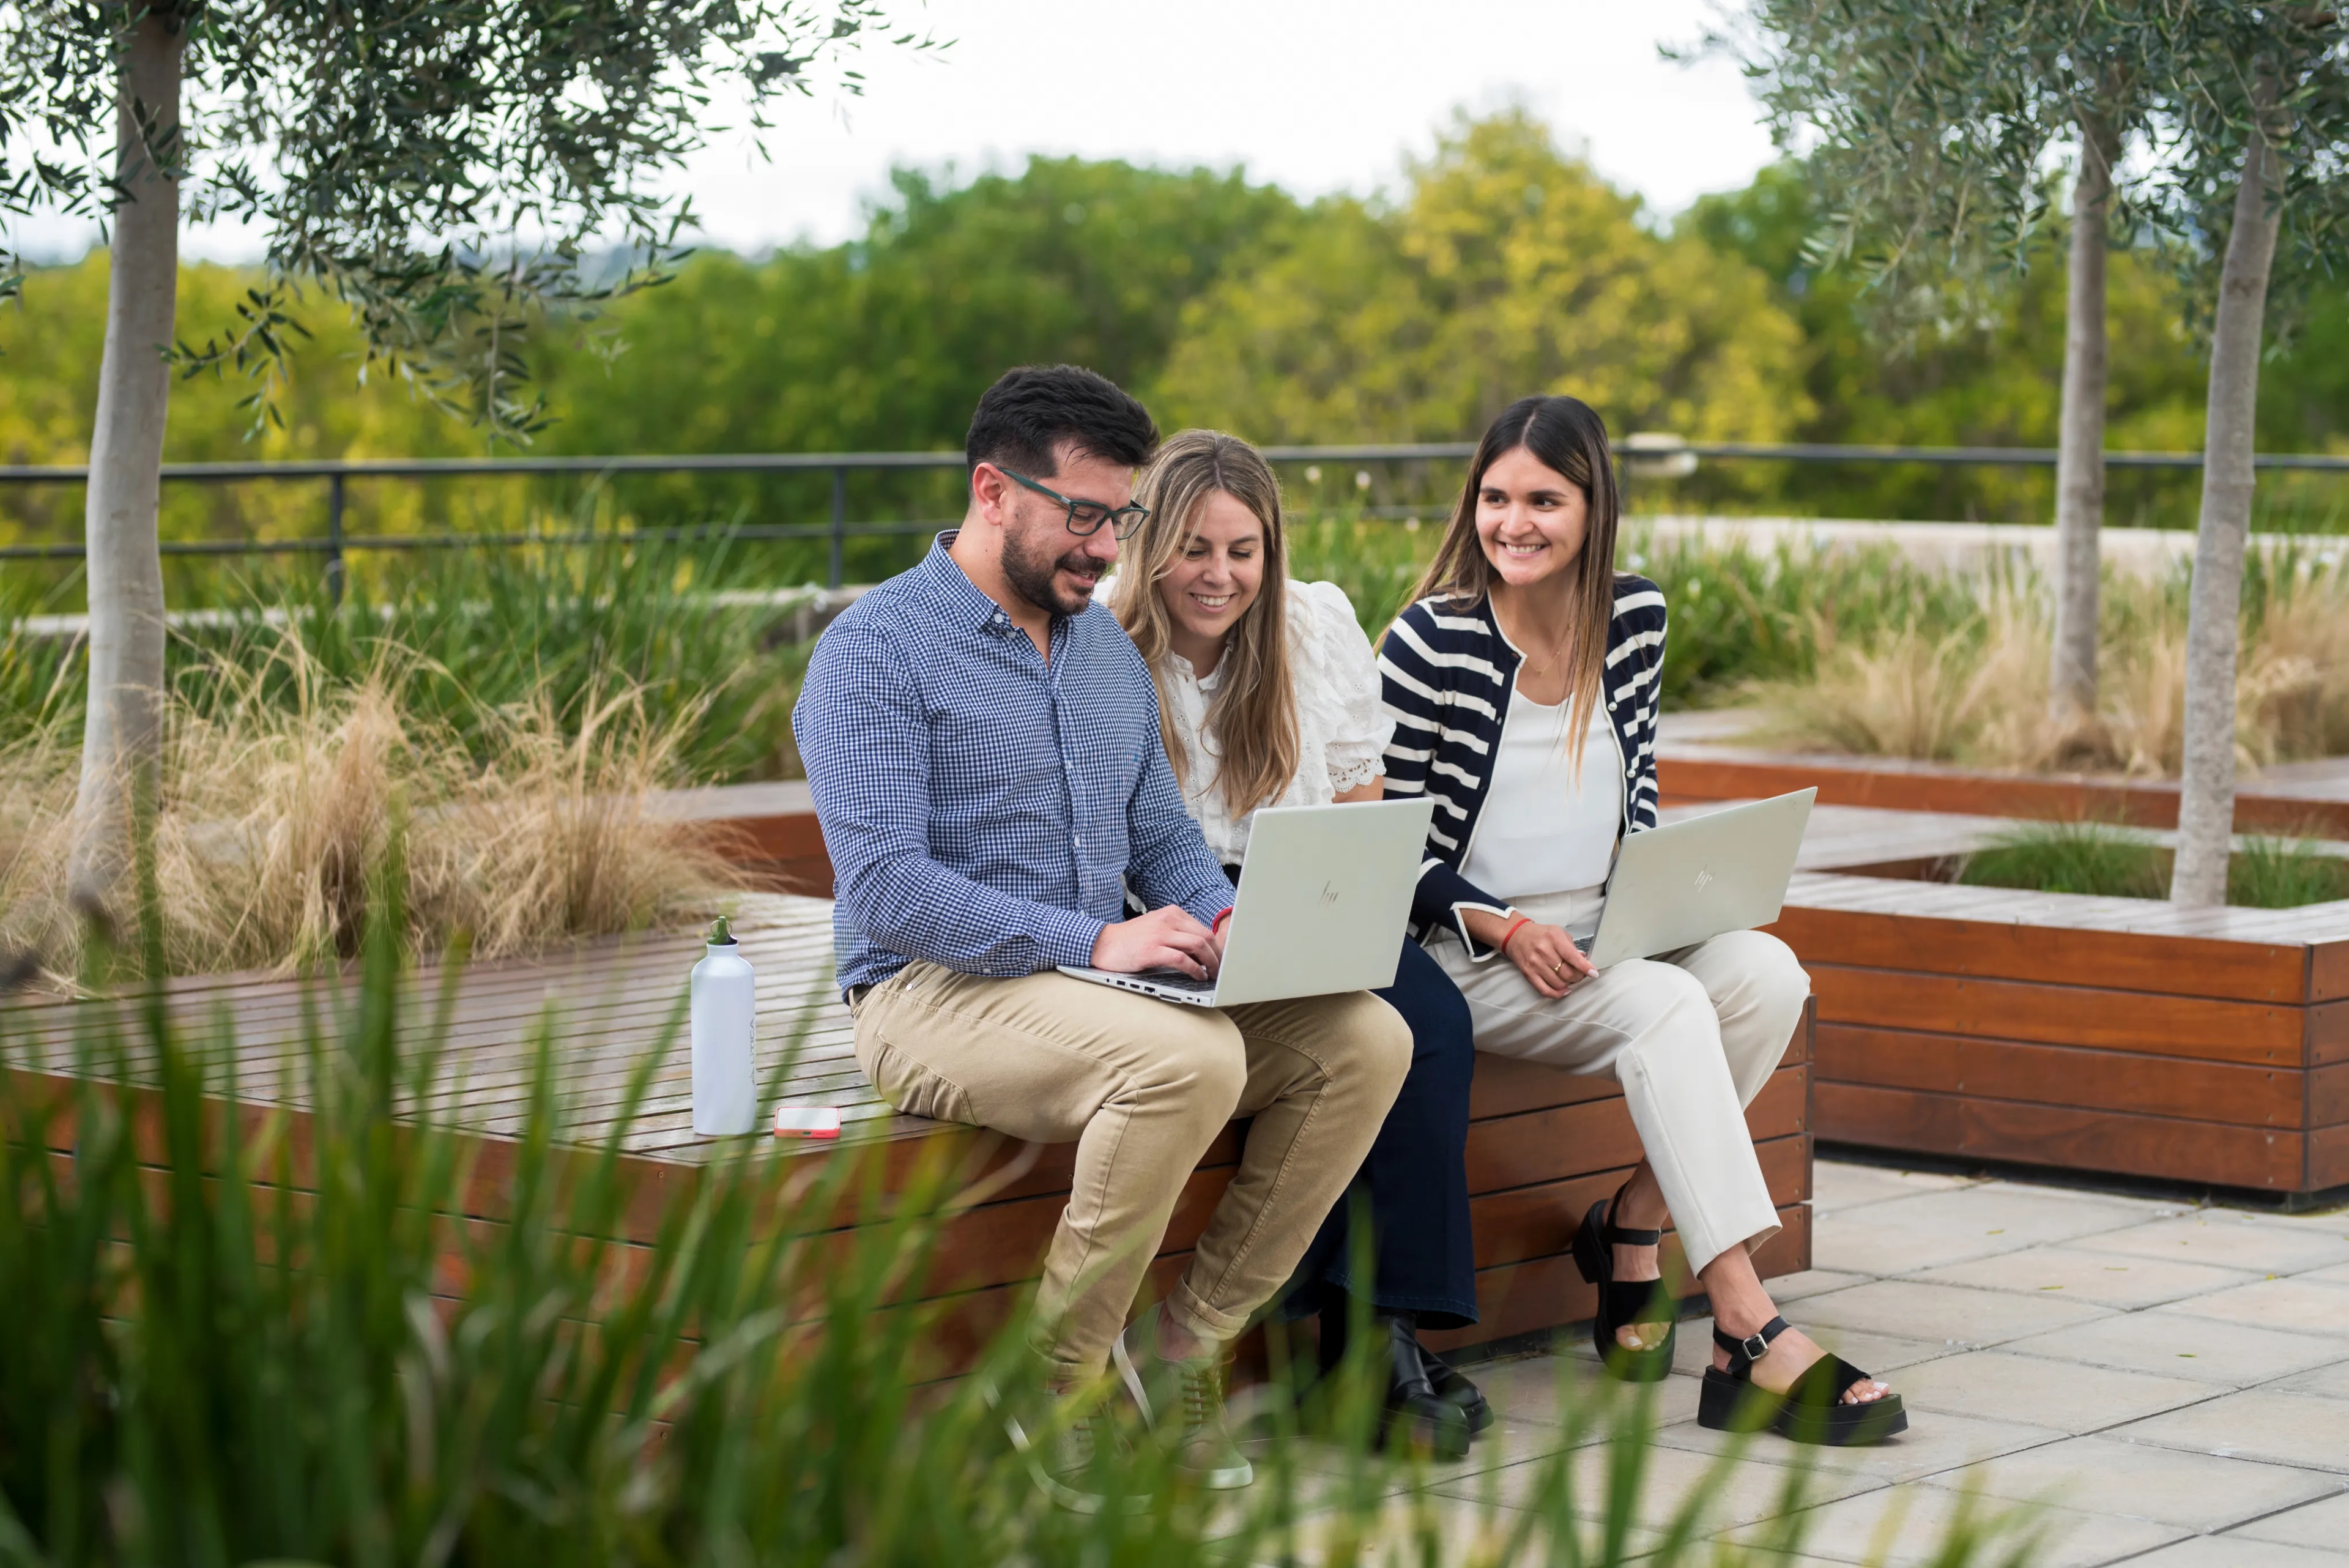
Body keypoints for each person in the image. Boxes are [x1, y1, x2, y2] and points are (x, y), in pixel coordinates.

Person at [792, 365, 1412, 1509]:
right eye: (1084, 516)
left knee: (1365, 1040)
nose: (1105, 548)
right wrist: (1094, 939)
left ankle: (1188, 1347)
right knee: (1191, 1060)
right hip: (928, 994)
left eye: (1119, 519)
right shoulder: (874, 649)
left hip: (1092, 992)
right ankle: (1055, 1383)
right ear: (993, 491)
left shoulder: (1100, 656)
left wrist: (1231, 918)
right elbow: (883, 887)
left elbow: (1163, 836)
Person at [1378, 395, 1907, 1447]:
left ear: (1593, 507)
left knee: (1768, 973)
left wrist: (1664, 889)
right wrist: (1499, 924)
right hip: (1476, 951)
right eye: (1495, 498)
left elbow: (1639, 784)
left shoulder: (1636, 616)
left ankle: (1636, 1221)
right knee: (1669, 1005)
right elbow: (1388, 848)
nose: (1513, 523)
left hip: (1609, 929)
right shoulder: (1430, 641)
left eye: (1544, 499)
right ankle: (1745, 1328)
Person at [1110, 428, 1485, 1458]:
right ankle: (1317, 1340)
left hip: (1307, 878)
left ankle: (1376, 1337)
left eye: (1242, 551)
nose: (1220, 575)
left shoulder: (1313, 624)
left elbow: (1360, 807)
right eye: (1194, 548)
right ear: (1150, 549)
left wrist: (1356, 904)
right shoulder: (1104, 643)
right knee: (1329, 1041)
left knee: (1432, 1019)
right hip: (1176, 900)